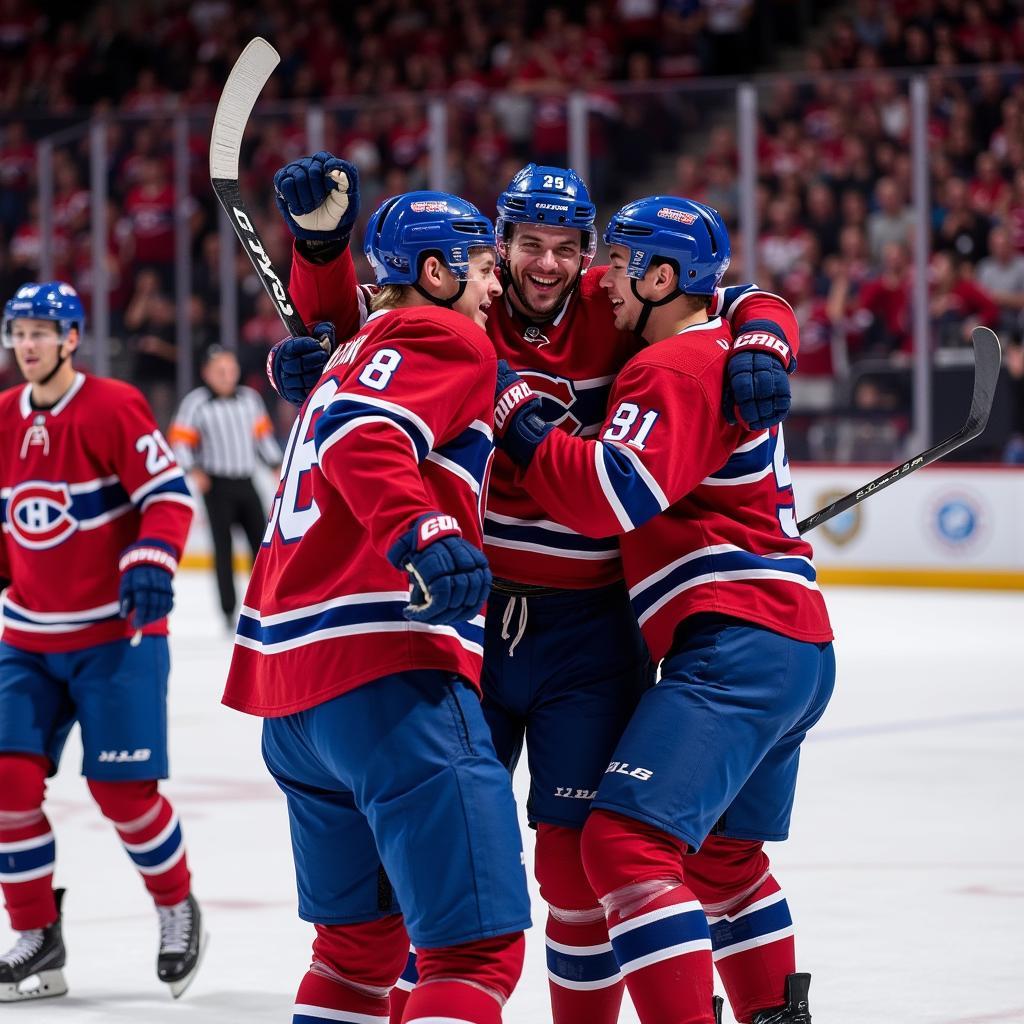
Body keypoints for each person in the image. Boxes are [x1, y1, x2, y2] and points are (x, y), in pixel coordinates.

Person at [266, 153, 798, 1024]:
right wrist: (319, 266)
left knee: (571, 867)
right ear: (499, 245)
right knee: (430, 874)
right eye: (526, 245)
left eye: (565, 247)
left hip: (586, 630)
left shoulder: (611, 302)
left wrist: (769, 335)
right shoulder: (464, 300)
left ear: (589, 255)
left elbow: (724, 294)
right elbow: (355, 328)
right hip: (467, 615)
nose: (544, 264)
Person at [493, 197, 835, 1024]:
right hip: (792, 645)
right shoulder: (714, 340)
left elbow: (610, 495)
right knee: (721, 863)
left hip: (732, 640)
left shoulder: (668, 367)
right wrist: (763, 323)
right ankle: (771, 1015)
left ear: (662, 278)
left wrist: (520, 421)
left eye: (618, 261)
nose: (601, 278)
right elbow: (755, 298)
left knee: (623, 845)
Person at [221, 193, 532, 1024]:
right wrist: (424, 530)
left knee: (356, 956)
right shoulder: (444, 333)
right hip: (390, 679)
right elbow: (365, 435)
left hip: (295, 703)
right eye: (482, 267)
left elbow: (351, 415)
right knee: (473, 953)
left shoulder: (350, 350)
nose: (494, 286)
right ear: (435, 272)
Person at [0, 281, 204, 1002]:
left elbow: (169, 496)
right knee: (6, 787)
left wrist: (151, 556)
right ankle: (36, 937)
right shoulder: (2, 417)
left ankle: (176, 905)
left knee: (123, 793)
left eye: (41, 332)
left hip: (116, 635)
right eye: (18, 332)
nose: (28, 345)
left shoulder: (114, 406)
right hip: (27, 637)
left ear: (72, 337)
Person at [169, 345, 282, 631]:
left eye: (231, 370)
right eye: (220, 371)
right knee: (224, 550)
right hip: (216, 485)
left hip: (246, 481)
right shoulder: (196, 403)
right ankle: (229, 611)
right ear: (206, 373)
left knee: (262, 546)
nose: (227, 375)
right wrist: (193, 469)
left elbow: (263, 437)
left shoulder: (249, 399)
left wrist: (275, 464)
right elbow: (180, 440)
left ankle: (266, 602)